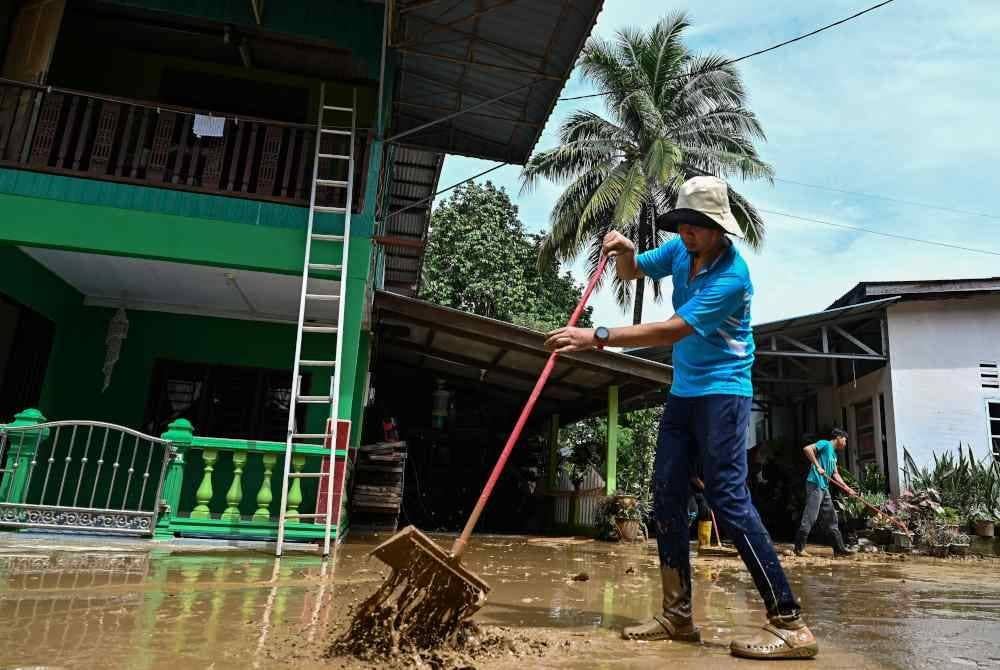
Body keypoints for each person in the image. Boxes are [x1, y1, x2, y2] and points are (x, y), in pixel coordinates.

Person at [544, 176, 818, 660]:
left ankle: (790, 622)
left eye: (695, 226)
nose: (686, 233)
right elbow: (630, 272)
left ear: (718, 228)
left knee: (729, 500)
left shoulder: (733, 277)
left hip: (724, 395)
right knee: (667, 496)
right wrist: (626, 250)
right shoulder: (678, 252)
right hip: (685, 392)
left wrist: (596, 336)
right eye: (682, 224)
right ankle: (677, 615)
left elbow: (673, 329)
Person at [795, 428, 857, 557]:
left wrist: (847, 488)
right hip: (815, 483)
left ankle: (839, 549)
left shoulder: (834, 455)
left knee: (832, 518)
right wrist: (817, 466)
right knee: (810, 516)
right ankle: (799, 548)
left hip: (824, 487)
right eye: (845, 440)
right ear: (839, 437)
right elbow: (807, 449)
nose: (845, 444)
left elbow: (835, 474)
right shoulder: (825, 444)